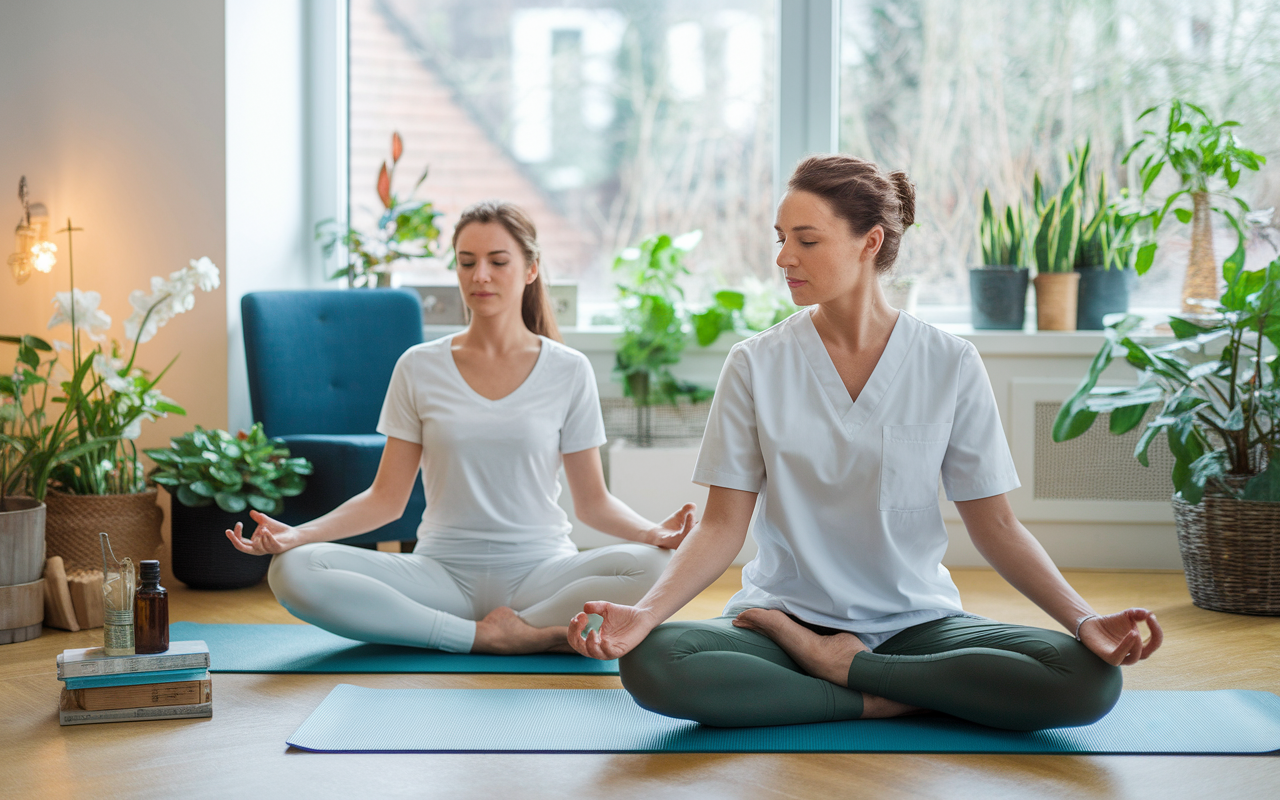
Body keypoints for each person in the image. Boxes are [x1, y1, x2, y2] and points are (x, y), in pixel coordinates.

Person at [566, 156, 1164, 730]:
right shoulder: (755, 364)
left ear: (869, 242)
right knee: (654, 661)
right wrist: (644, 616)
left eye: (806, 240)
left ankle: (850, 674)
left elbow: (997, 526)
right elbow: (722, 526)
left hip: (916, 624)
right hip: (782, 621)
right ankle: (885, 698)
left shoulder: (949, 362)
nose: (783, 257)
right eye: (780, 238)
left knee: (1087, 679)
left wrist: (1085, 621)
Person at [225, 200, 694, 655]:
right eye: (466, 262)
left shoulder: (568, 369)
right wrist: (298, 535)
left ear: (531, 269)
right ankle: (483, 637)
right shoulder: (418, 366)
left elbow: (593, 504)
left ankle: (526, 628)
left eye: (497, 261)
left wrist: (653, 533)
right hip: (441, 575)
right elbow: (385, 499)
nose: (480, 276)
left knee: (657, 566)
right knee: (292, 571)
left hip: (542, 574)